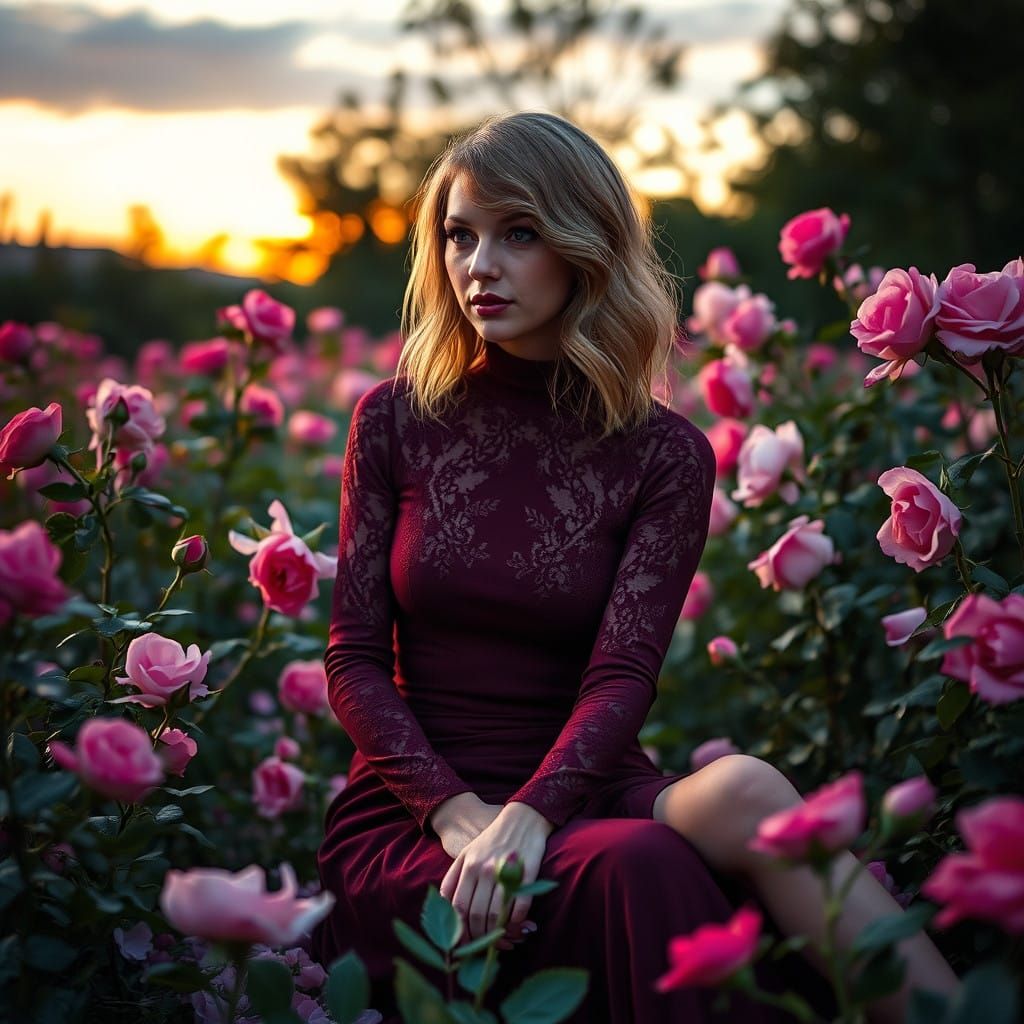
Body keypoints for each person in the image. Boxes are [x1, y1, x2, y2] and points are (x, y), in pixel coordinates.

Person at [311, 111, 958, 1023]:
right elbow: (353, 660)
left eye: (519, 233)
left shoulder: (666, 455)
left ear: (586, 245)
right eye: (460, 236)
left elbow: (622, 675)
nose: (479, 265)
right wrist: (462, 818)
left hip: (581, 785)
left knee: (747, 788)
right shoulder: (393, 419)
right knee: (641, 863)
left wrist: (530, 815)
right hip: (415, 809)